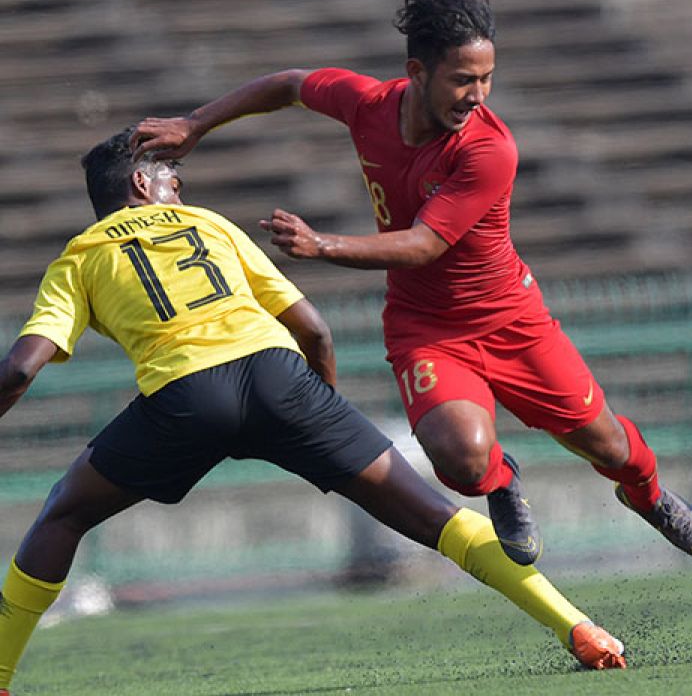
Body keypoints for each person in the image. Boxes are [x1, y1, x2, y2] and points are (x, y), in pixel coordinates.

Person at [0, 129, 627, 696]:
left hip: (185, 397)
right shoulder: (211, 226)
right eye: (172, 179)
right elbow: (314, 330)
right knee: (433, 515)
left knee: (64, 512)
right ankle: (578, 626)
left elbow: (21, 368)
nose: (180, 189)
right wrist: (318, 423)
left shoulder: (79, 257)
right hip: (281, 378)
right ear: (142, 185)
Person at [128, 0, 692, 568]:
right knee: (461, 458)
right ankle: (502, 481)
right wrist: (196, 123)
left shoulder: (488, 148)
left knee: (611, 446)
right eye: (464, 79)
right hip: (426, 327)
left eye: (487, 79)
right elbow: (289, 85)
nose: (478, 95)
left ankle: (648, 497)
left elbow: (423, 245)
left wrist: (321, 244)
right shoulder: (367, 104)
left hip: (512, 319)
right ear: (418, 70)